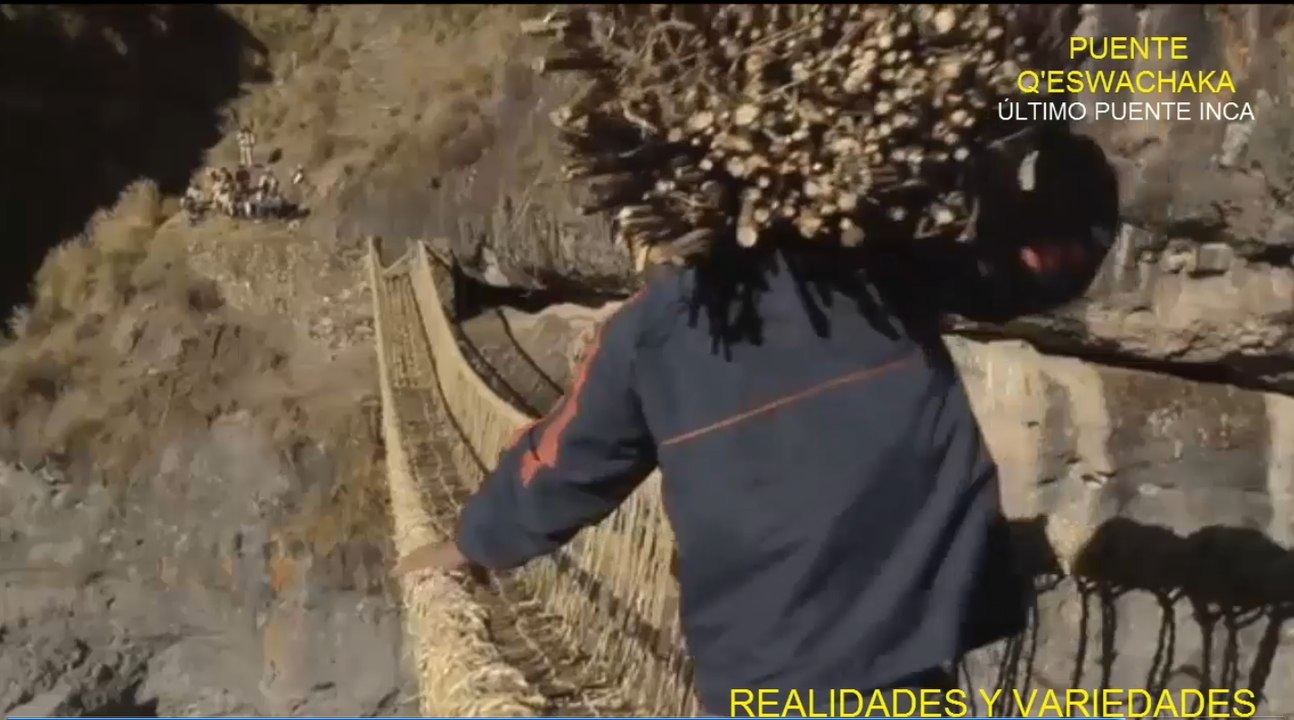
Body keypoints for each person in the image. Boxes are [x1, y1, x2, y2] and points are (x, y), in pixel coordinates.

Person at [393, 132, 1118, 716]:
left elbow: (565, 461)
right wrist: (1058, 153)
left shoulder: (653, 329)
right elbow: (1038, 264)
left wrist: (471, 542)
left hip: (766, 674)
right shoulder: (877, 268)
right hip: (914, 634)